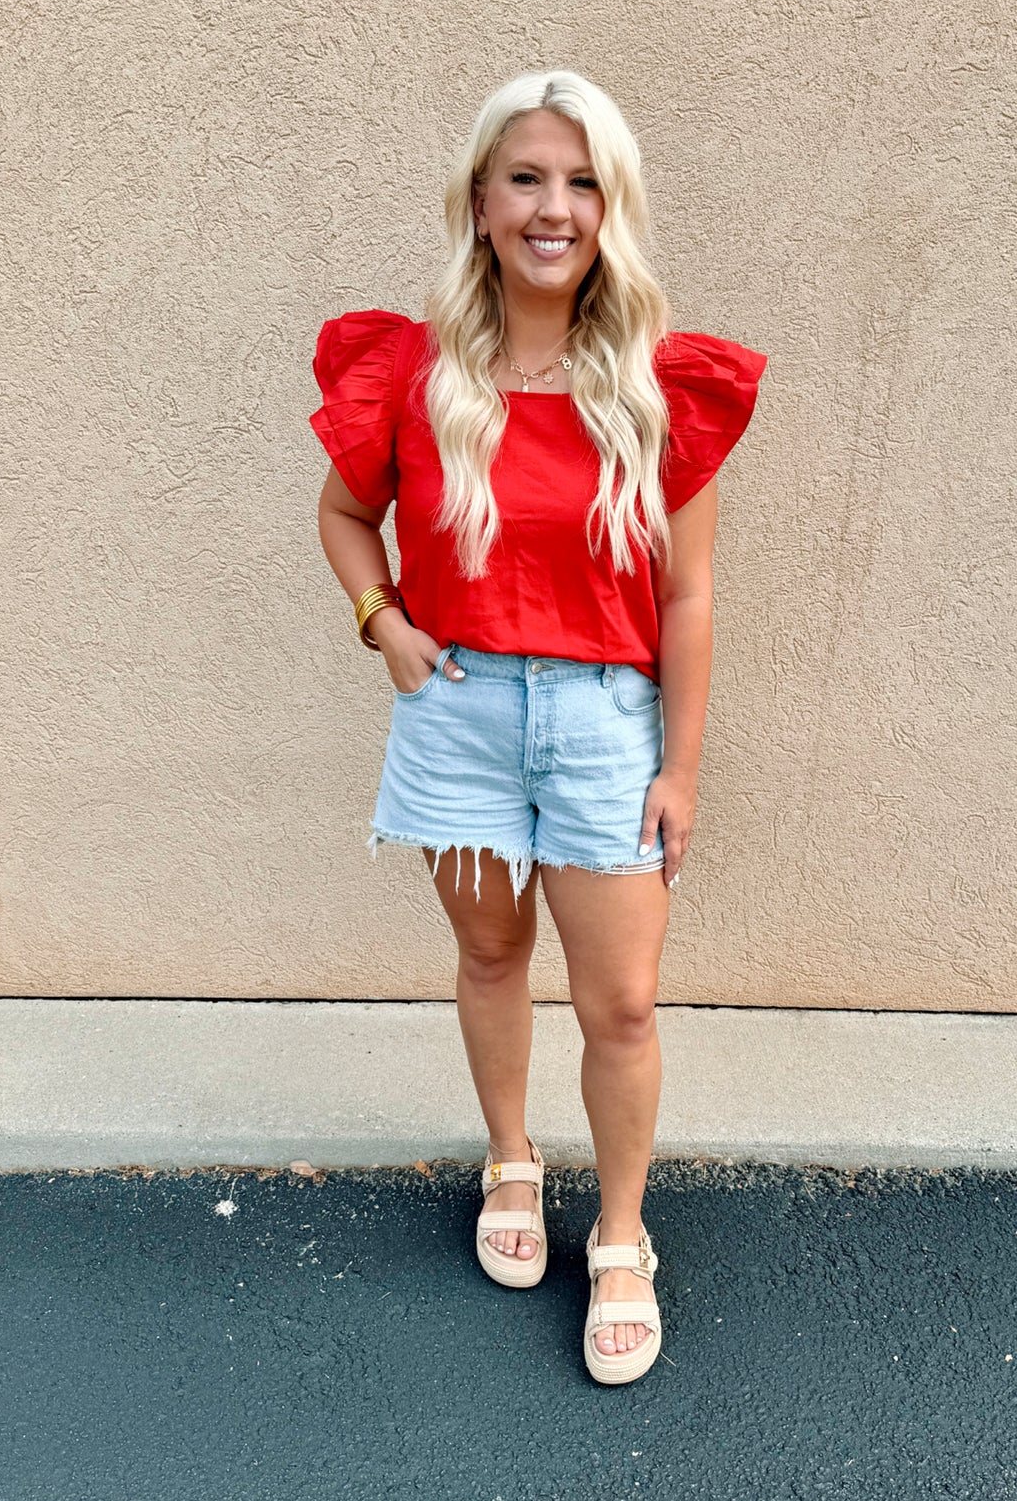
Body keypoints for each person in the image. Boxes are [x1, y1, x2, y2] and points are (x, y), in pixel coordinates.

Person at [312, 69, 767, 1386]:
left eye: (579, 181)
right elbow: (343, 515)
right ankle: (512, 1166)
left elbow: (685, 594)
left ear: (609, 207)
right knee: (491, 959)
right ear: (479, 200)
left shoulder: (653, 388)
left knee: (620, 1004)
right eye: (525, 177)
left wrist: (678, 766)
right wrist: (383, 625)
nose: (551, 206)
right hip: (454, 715)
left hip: (601, 725)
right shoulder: (413, 373)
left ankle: (619, 1235)